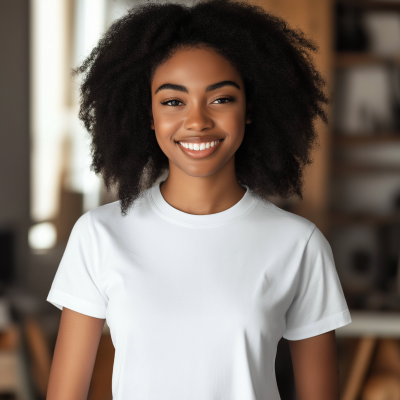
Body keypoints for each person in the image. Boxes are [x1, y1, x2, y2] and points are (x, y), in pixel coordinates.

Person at [46, 0, 352, 399]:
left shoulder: (298, 243)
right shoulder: (99, 234)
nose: (197, 121)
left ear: (249, 110)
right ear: (149, 115)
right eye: (173, 101)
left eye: (221, 98)